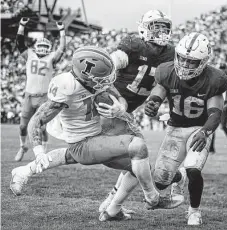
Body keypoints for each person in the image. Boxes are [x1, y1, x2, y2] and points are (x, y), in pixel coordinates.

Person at [10, 46, 183, 221]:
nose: (107, 80)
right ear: (86, 75)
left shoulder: (95, 82)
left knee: (140, 168)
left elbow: (118, 97)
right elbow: (36, 120)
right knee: (137, 146)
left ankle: (113, 211)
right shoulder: (66, 86)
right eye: (102, 77)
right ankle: (153, 198)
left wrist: (119, 107)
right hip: (83, 143)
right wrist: (39, 152)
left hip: (98, 137)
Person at [97, 9, 176, 214]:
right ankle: (137, 200)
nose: (161, 31)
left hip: (126, 112)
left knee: (135, 160)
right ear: (144, 29)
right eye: (156, 26)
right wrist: (111, 64)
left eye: (164, 27)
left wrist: (159, 102)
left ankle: (112, 205)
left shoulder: (170, 54)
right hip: (112, 107)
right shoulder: (134, 45)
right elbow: (115, 61)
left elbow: (167, 83)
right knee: (137, 161)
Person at [145, 32, 227, 225]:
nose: (185, 65)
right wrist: (153, 102)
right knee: (160, 180)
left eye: (191, 62)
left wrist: (206, 131)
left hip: (199, 128)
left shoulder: (215, 79)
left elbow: (216, 113)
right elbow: (160, 89)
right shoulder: (166, 71)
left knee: (194, 169)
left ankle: (194, 211)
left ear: (203, 61)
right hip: (175, 128)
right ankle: (178, 177)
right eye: (182, 59)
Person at [15, 17, 66, 161]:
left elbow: (62, 48)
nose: (43, 49)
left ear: (48, 49)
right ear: (36, 47)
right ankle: (22, 146)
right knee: (22, 126)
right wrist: (21, 26)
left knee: (42, 127)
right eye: (41, 46)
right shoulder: (29, 55)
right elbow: (19, 44)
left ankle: (43, 152)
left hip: (44, 96)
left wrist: (62, 31)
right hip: (29, 96)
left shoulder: (51, 58)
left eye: (45, 47)